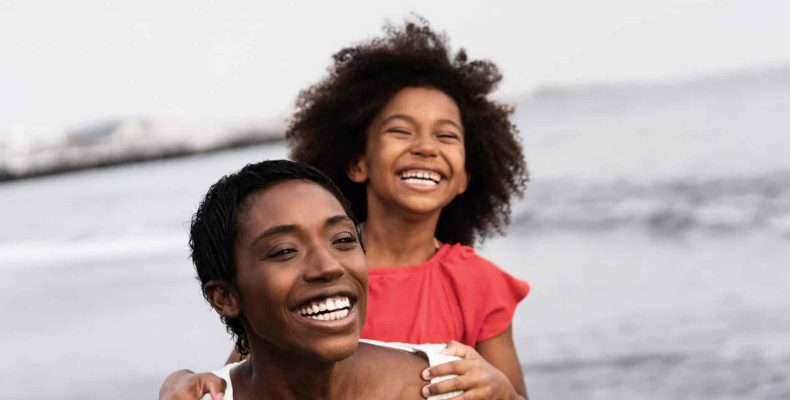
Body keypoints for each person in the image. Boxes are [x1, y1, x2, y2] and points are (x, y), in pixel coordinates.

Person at [160, 18, 530, 400]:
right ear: (357, 162)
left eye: (446, 135)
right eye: (401, 131)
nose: (426, 147)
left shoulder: (477, 283)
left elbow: (512, 395)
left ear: (467, 176)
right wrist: (183, 379)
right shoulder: (308, 277)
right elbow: (250, 367)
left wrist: (499, 390)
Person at [182, 159, 465, 400]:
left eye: (343, 239)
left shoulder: (453, 384)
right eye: (284, 251)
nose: (329, 267)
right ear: (225, 297)